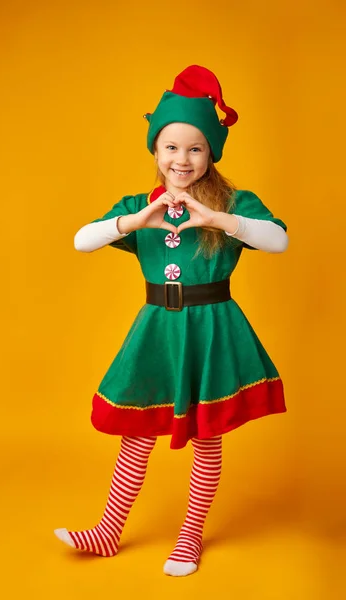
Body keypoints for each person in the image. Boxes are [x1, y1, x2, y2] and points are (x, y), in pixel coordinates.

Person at [54, 65, 289, 577]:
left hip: (212, 329)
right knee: (137, 432)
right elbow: (80, 240)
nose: (181, 159)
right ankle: (107, 532)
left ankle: (189, 537)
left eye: (195, 148)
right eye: (171, 148)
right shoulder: (138, 207)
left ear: (211, 154)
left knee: (207, 435)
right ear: (156, 152)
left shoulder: (231, 205)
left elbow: (278, 239)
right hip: (159, 330)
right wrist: (132, 222)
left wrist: (221, 221)